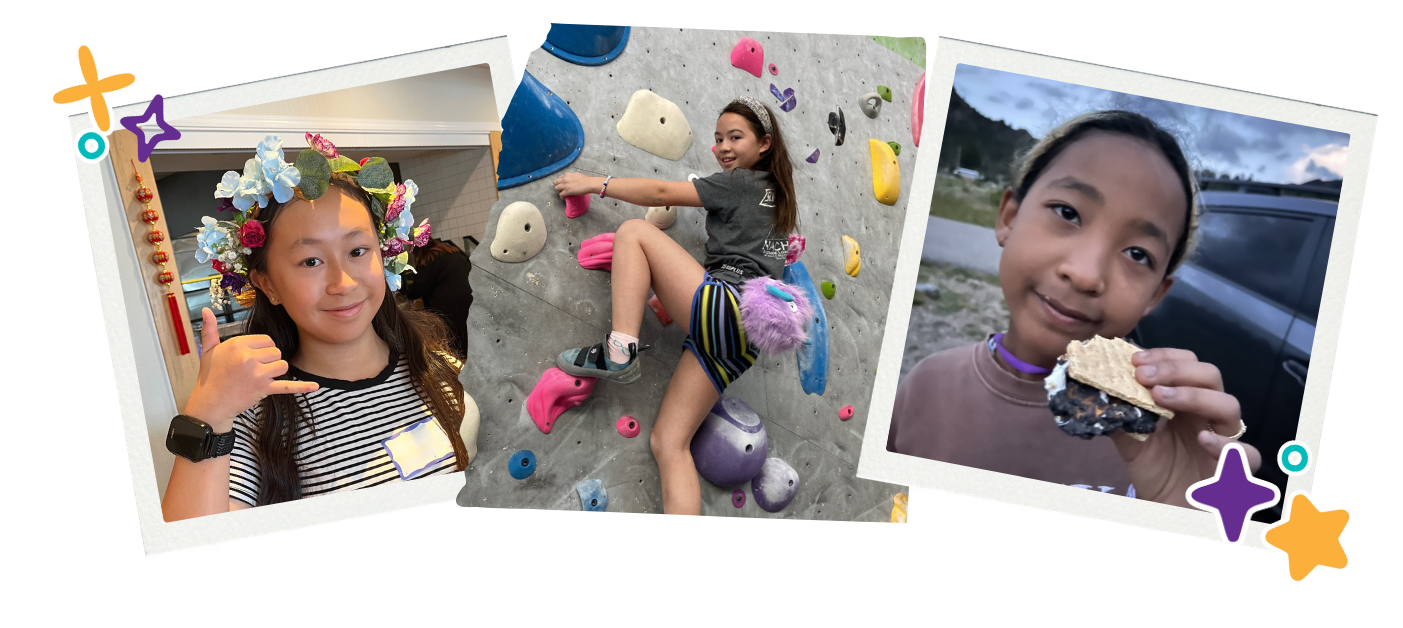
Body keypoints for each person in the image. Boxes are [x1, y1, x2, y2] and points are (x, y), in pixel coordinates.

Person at [888, 111, 1261, 507]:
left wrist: (1184, 511)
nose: (1085, 274)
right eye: (1068, 212)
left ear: (1156, 294)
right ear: (1009, 218)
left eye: (1137, 254)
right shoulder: (925, 389)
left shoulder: (1158, 446)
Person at [161, 134, 476, 521]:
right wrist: (208, 413)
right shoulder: (253, 414)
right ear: (268, 284)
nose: (342, 283)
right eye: (310, 261)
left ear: (383, 253)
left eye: (358, 251)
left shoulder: (437, 365)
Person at [550, 97, 798, 515]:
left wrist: (594, 183)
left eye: (735, 137)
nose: (722, 147)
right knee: (669, 443)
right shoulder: (780, 205)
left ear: (765, 144)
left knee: (633, 233)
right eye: (718, 139)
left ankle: (619, 351)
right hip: (742, 343)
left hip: (727, 306)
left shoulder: (741, 183)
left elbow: (663, 192)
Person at [403, 238, 473, 360]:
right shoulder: (452, 251)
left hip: (450, 310)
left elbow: (416, 289)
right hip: (469, 303)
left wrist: (401, 286)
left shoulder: (429, 259)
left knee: (455, 347)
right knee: (468, 342)